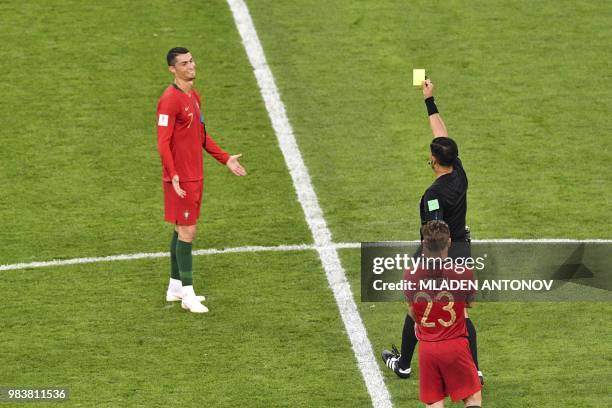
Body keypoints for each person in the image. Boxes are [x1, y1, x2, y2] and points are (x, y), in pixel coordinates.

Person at [382, 79, 482, 382]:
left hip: (438, 253)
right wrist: (429, 100)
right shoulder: (459, 172)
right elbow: (442, 134)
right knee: (462, 313)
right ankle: (474, 371)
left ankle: (403, 364)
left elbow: (436, 234)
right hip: (462, 246)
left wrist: (434, 268)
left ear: (435, 162)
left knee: (416, 304)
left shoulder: (433, 194)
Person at [157, 47, 246, 313]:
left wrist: (225, 158)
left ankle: (174, 287)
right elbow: (162, 142)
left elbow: (202, 136)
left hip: (194, 174)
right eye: (184, 63)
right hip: (180, 178)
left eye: (192, 60)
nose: (191, 66)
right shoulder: (169, 100)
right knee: (188, 231)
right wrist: (173, 174)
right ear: (173, 69)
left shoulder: (193, 96)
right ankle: (188, 294)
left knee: (180, 229)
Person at [404, 220, 482, 408]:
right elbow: (470, 303)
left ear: (424, 244)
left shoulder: (410, 274)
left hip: (427, 349)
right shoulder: (463, 273)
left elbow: (411, 311)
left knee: (433, 404)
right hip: (456, 345)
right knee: (472, 398)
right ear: (449, 243)